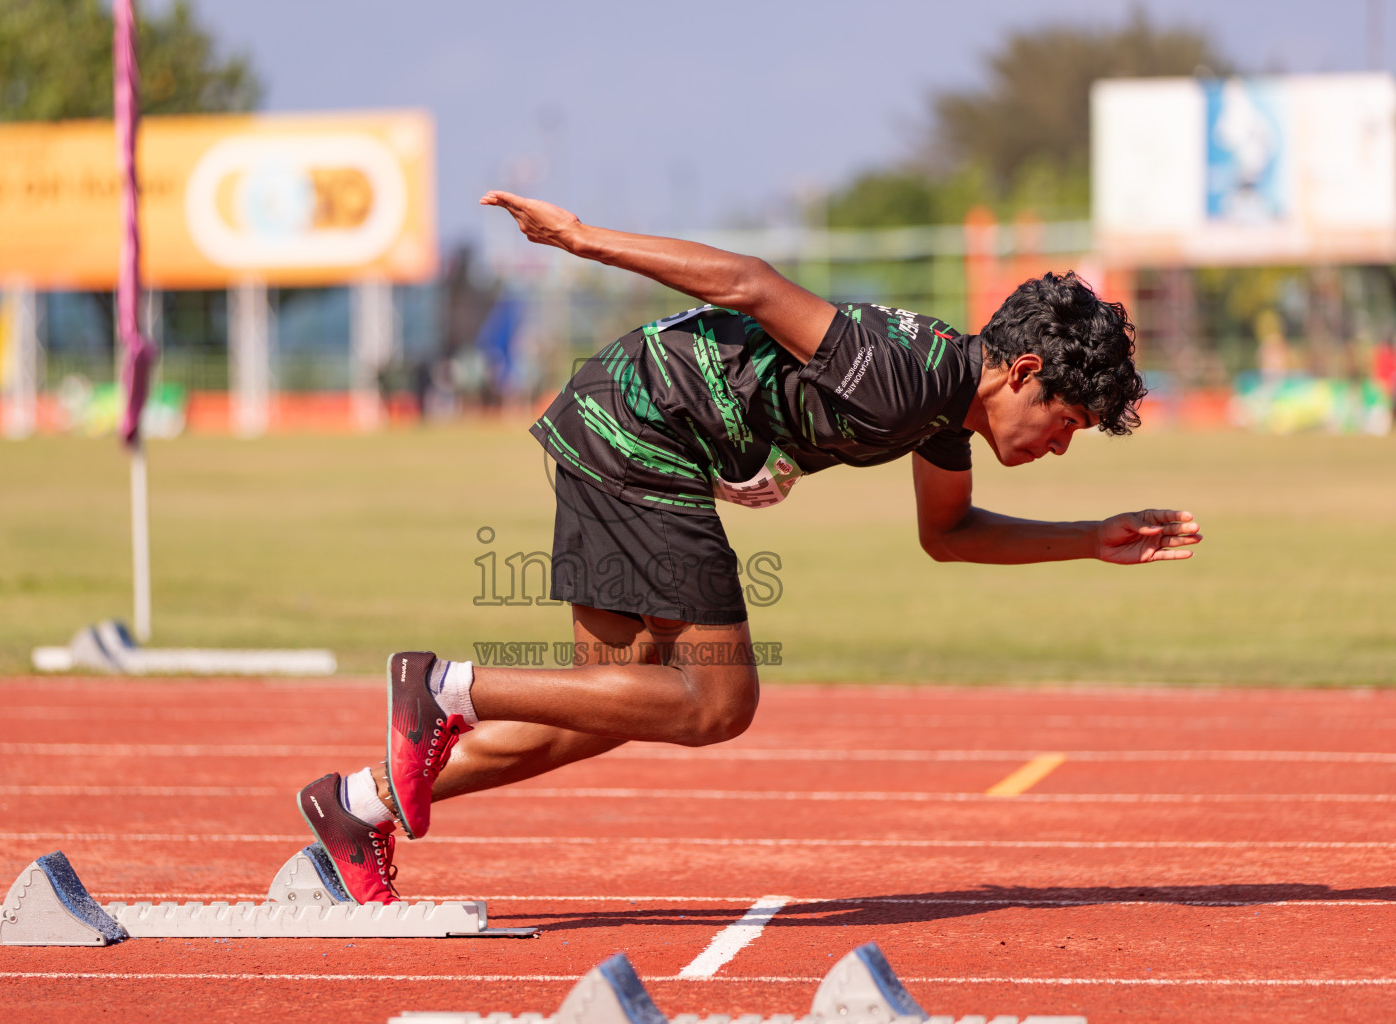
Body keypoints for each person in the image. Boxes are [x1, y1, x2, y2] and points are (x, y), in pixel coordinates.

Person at [295, 192, 1203, 904]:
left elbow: (949, 534)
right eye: (1066, 422)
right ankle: (443, 686)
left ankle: (357, 804)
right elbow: (753, 285)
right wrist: (578, 237)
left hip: (614, 420)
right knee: (716, 703)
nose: (1060, 445)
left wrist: (1090, 540)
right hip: (640, 433)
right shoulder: (906, 379)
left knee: (606, 707)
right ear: (1024, 373)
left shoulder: (941, 407)